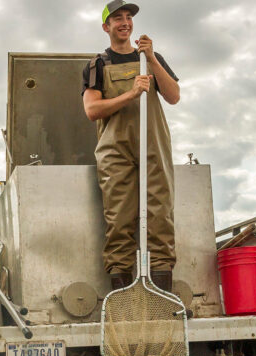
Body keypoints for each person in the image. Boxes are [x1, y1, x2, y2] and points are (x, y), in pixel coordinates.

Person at [82, 0, 180, 292]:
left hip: (153, 144)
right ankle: (123, 301)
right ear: (106, 27)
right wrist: (132, 93)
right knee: (119, 222)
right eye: (117, 19)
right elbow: (92, 110)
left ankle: (161, 297)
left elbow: (173, 96)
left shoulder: (151, 58)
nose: (125, 22)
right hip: (115, 151)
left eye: (128, 17)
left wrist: (150, 57)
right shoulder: (97, 64)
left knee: (160, 217)